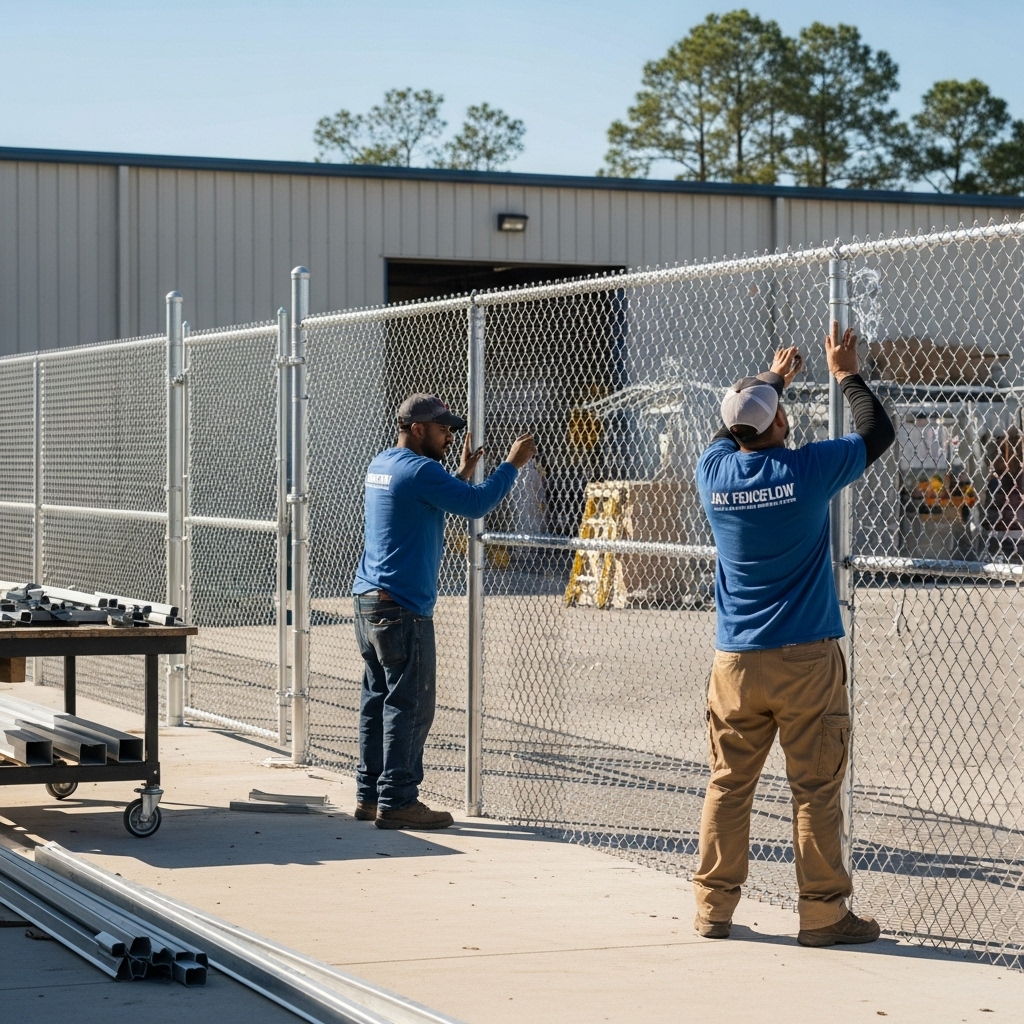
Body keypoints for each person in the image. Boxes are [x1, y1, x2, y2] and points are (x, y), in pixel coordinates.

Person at [693, 322, 895, 946]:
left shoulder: (714, 472)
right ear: (780, 422)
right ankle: (824, 916)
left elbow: (731, 429)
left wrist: (770, 382)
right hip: (806, 656)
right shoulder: (808, 469)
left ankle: (713, 911)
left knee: (729, 784)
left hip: (737, 659)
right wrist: (844, 372)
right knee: (814, 789)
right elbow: (877, 431)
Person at [352, 393, 537, 830]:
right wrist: (512, 464)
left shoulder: (383, 463)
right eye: (442, 429)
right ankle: (398, 801)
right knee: (410, 704)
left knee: (377, 701)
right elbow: (475, 505)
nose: (450, 435)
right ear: (417, 429)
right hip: (402, 607)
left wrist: (460, 475)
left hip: (368, 601)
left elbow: (419, 500)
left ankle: (369, 796)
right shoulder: (421, 470)